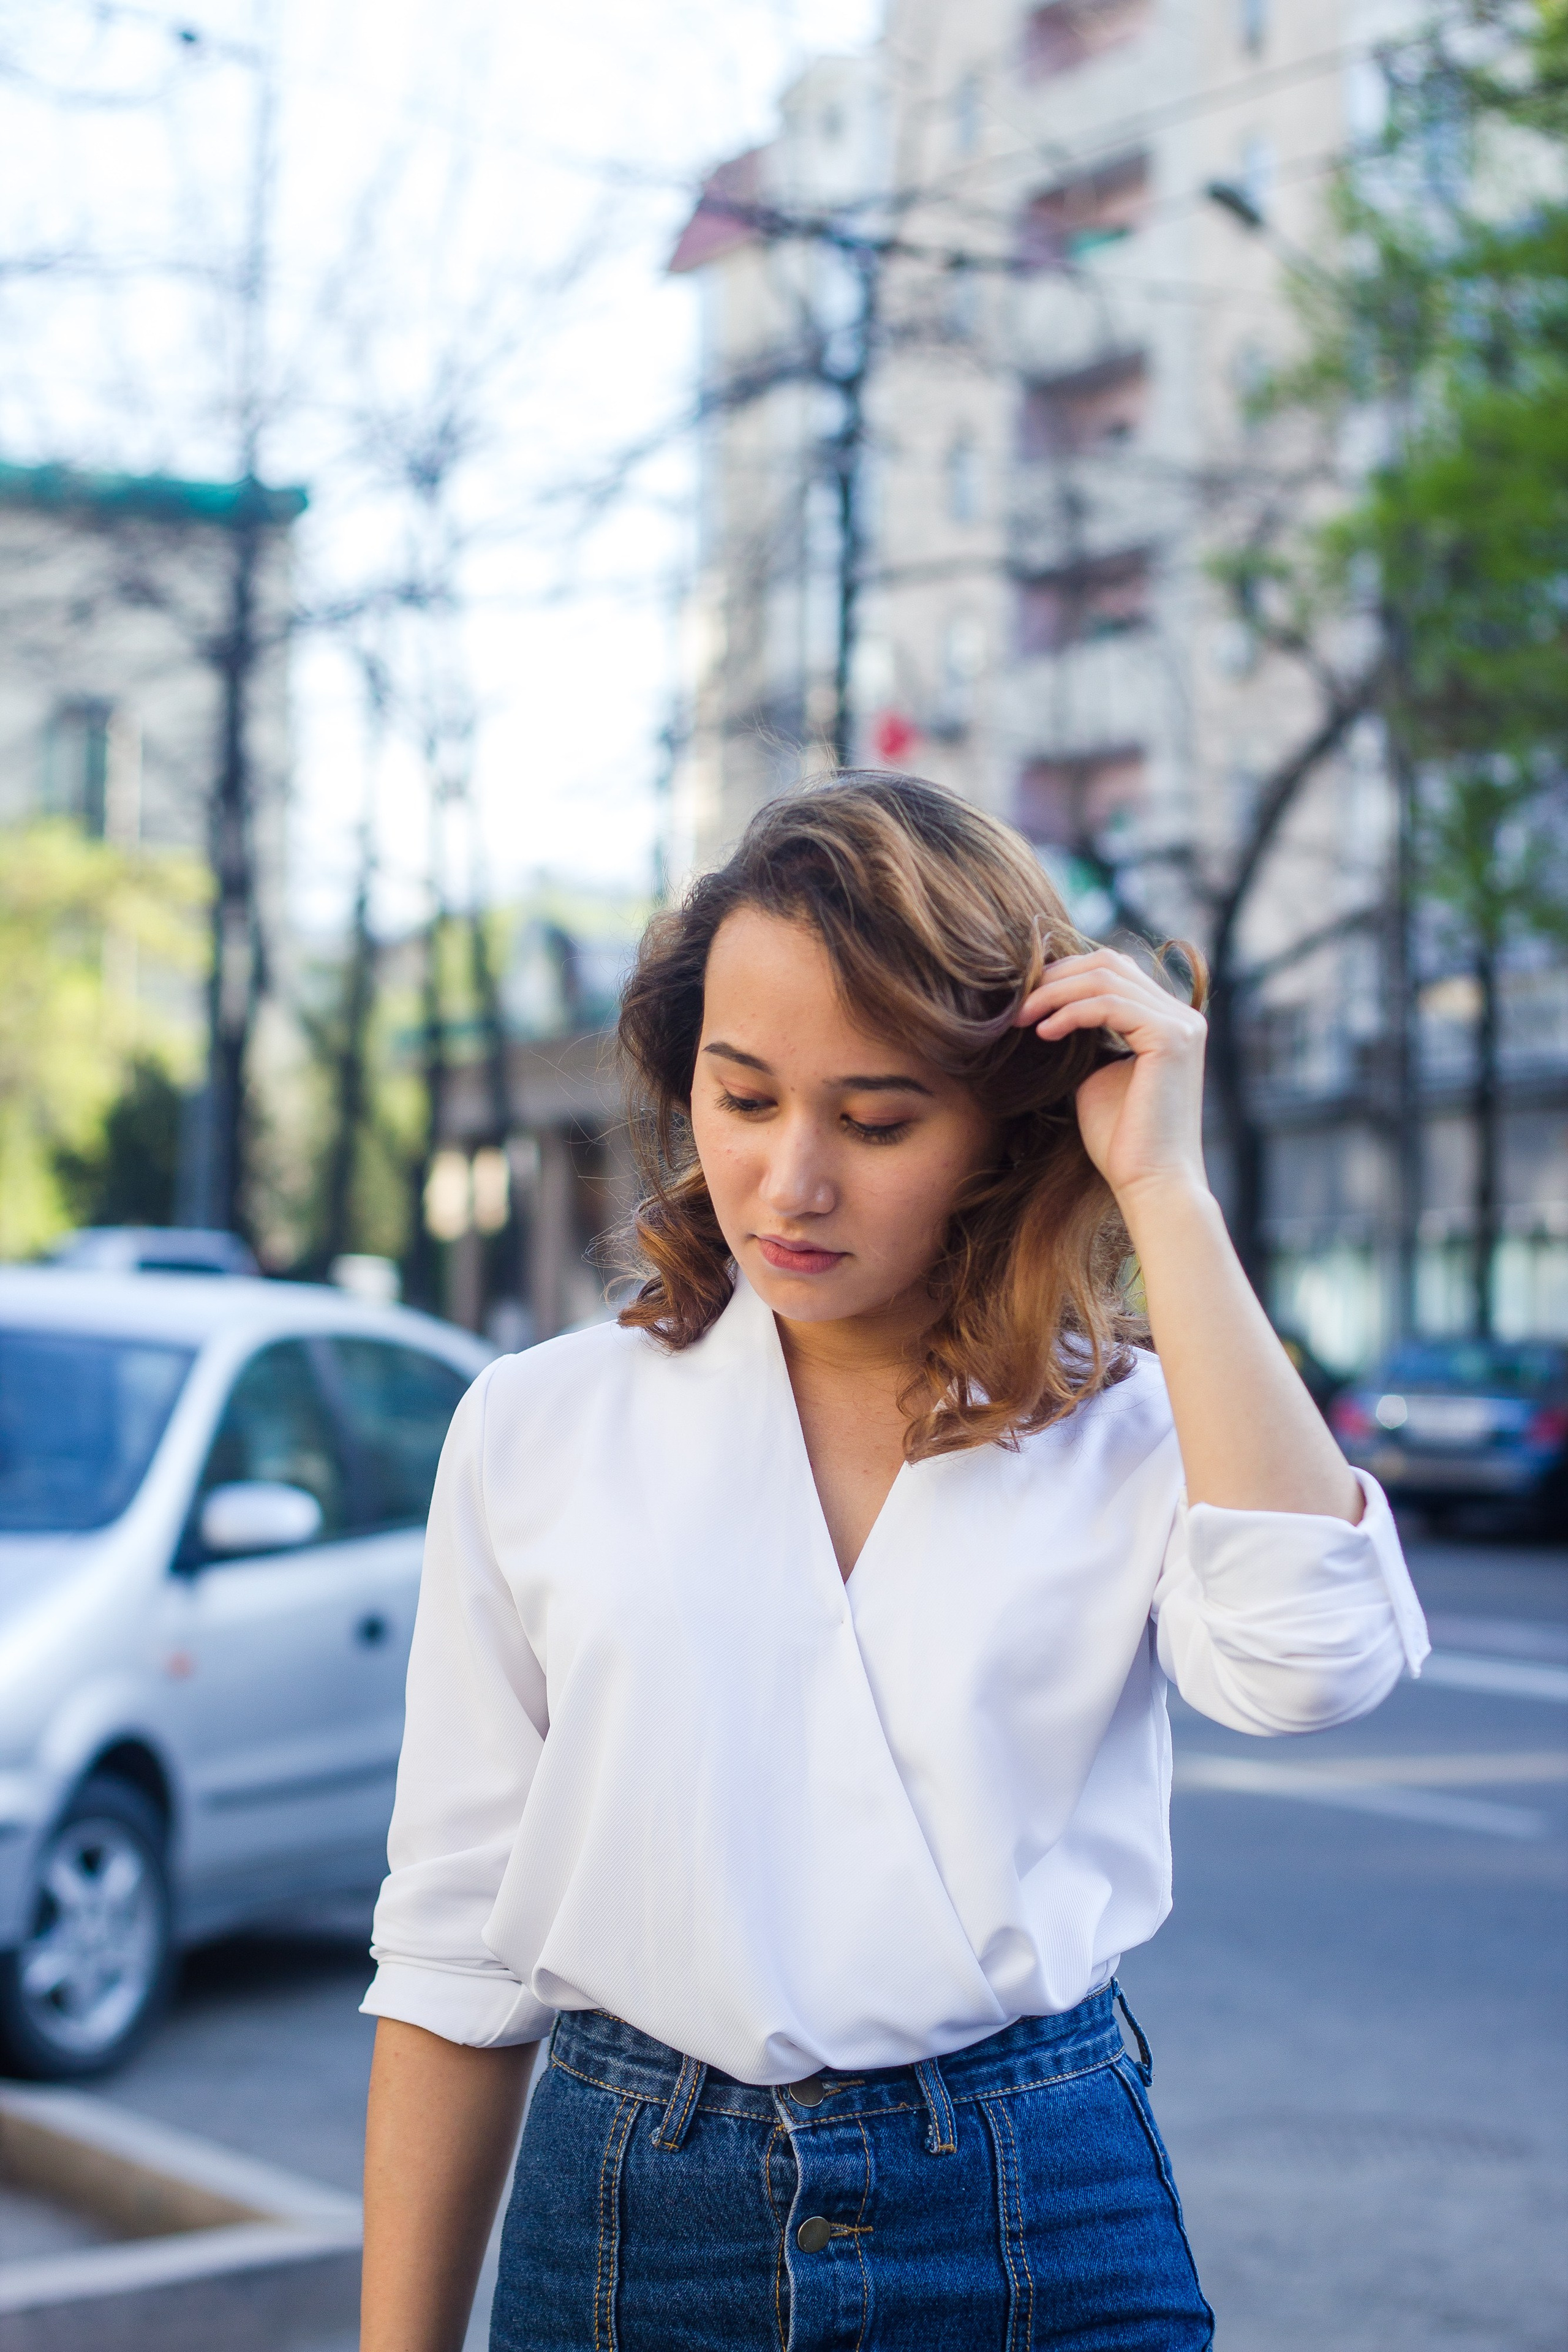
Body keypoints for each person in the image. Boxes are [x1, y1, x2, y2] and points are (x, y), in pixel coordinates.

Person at [359, 775, 1427, 2352]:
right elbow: (452, 1945)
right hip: (631, 2220)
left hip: (1033, 2196)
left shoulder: (1132, 1426)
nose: (791, 1181)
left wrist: (1163, 1191)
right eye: (740, 1099)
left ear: (1005, 1122)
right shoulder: (539, 1426)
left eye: (874, 1120)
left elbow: (1310, 1665)